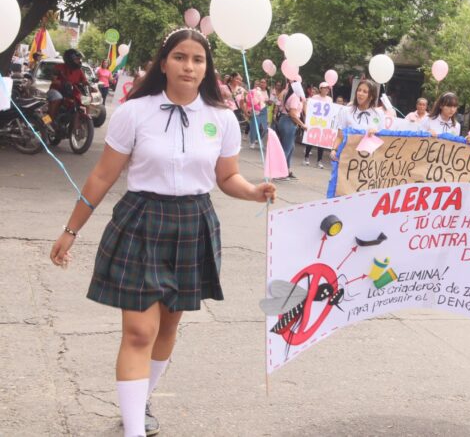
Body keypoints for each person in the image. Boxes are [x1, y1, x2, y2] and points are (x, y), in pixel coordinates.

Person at [49, 27, 276, 437]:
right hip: (141, 219)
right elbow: (102, 176)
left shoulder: (222, 118)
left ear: (207, 68)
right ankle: (134, 430)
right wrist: (71, 230)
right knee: (139, 331)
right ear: (164, 62)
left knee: (168, 327)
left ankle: (140, 401)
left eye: (198, 59)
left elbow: (227, 178)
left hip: (193, 222)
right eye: (180, 57)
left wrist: (255, 192)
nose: (189, 66)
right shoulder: (135, 112)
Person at [329, 80, 384, 162]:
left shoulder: (379, 114)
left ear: (371, 96)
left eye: (365, 92)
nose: (360, 93)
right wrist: (334, 150)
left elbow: (382, 139)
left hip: (367, 161)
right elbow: (340, 136)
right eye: (359, 90)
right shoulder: (345, 111)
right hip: (347, 158)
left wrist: (376, 133)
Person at [46, 49, 91, 121]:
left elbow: (84, 81)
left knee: (85, 100)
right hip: (57, 90)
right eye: (77, 59)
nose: (79, 61)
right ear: (70, 59)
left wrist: (90, 85)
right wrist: (63, 83)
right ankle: (49, 121)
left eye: (79, 59)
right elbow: (53, 80)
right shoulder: (59, 67)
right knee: (58, 98)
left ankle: (86, 117)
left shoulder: (79, 70)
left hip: (71, 92)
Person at [276, 82, 307, 179]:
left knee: (291, 147)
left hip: (284, 121)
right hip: (289, 122)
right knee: (286, 148)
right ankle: (279, 172)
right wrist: (302, 125)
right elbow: (292, 114)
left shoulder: (288, 94)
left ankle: (287, 170)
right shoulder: (294, 97)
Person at [304, 81, 332, 168]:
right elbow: (308, 105)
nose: (327, 90)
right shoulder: (315, 97)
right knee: (311, 139)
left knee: (322, 142)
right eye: (325, 88)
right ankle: (306, 157)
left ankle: (319, 160)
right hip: (314, 121)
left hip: (323, 123)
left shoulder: (329, 99)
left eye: (328, 88)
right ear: (320, 89)